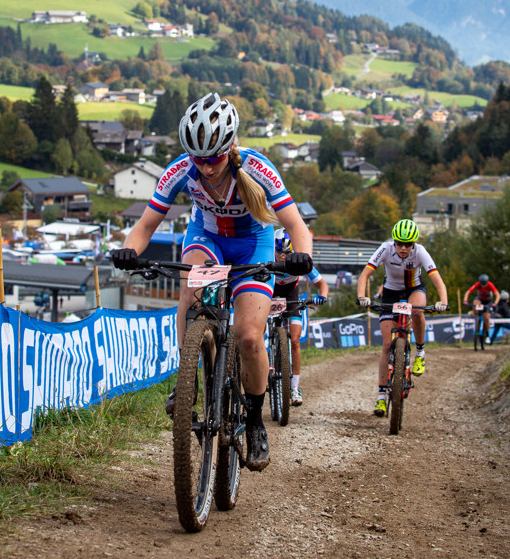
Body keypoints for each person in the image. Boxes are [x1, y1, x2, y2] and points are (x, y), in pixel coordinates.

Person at [110, 93, 313, 471]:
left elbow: (296, 225)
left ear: (231, 145)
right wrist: (128, 251)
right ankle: (186, 376)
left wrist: (302, 255)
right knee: (190, 290)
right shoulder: (179, 170)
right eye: (197, 159)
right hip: (207, 239)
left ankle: (254, 423)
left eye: (214, 158)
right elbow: (145, 225)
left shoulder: (259, 168)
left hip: (253, 244)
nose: (205, 167)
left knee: (250, 337)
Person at [355, 219, 448, 417]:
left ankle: (420, 353)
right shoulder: (385, 249)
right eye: (399, 243)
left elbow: (437, 279)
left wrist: (443, 301)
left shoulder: (420, 252)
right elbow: (364, 275)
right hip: (390, 292)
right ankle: (381, 397)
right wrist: (362, 297)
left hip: (414, 288)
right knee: (387, 345)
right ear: (394, 242)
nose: (403, 248)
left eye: (408, 244)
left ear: (414, 244)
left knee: (417, 310)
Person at [272, 228, 329, 406]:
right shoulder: (265, 258)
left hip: (292, 296)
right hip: (270, 295)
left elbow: (322, 284)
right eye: (279, 252)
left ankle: (295, 387)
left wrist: (322, 297)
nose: (283, 256)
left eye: (287, 253)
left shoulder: (299, 262)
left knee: (295, 341)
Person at [463, 274, 499, 350]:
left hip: (488, 302)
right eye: (481, 284)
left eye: (484, 284)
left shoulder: (490, 285)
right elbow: (468, 292)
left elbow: (497, 295)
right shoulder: (477, 284)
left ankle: (488, 335)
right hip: (480, 299)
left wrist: (495, 303)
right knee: (475, 303)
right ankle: (475, 314)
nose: (483, 286)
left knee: (486, 318)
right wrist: (465, 301)